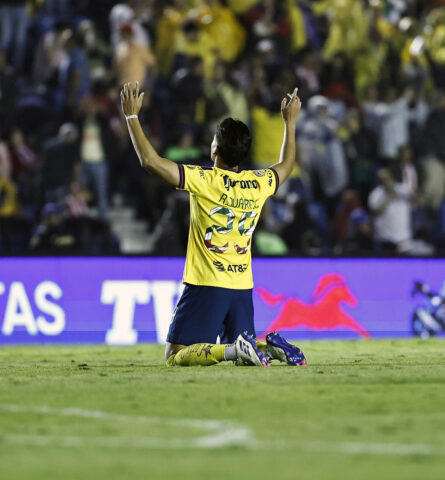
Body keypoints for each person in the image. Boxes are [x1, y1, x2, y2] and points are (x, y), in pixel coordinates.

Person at [119, 81, 306, 367]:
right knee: (244, 352)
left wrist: (131, 117)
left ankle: (236, 350)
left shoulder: (204, 180)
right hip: (242, 286)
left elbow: (150, 161)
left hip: (207, 282)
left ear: (215, 147)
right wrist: (290, 123)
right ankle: (270, 348)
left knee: (175, 354)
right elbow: (286, 165)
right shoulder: (258, 182)